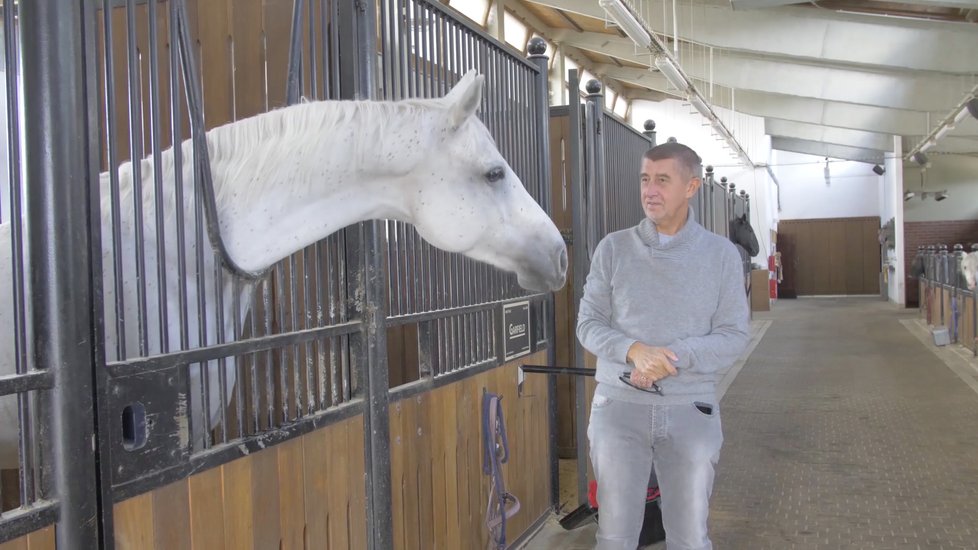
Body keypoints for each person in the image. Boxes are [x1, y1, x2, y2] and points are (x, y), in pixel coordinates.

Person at [577, 142, 750, 550]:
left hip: (691, 409)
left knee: (689, 537)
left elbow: (733, 334)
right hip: (618, 409)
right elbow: (588, 324)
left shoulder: (721, 255)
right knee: (615, 537)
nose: (650, 191)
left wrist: (673, 358)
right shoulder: (613, 249)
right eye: (644, 180)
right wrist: (635, 350)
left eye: (662, 180)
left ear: (691, 187)